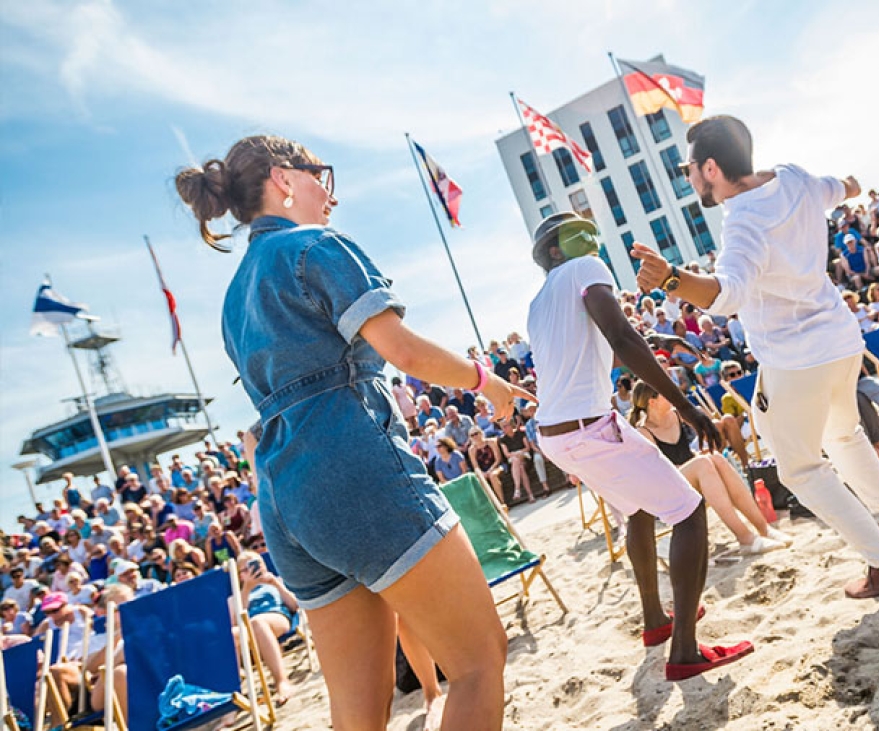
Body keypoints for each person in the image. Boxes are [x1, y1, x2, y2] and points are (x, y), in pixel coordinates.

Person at [176, 135, 519, 728]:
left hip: (287, 500)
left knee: (357, 715)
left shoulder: (235, 296)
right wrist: (488, 381)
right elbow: (403, 351)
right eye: (319, 176)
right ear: (284, 179)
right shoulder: (315, 246)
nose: (329, 194)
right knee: (479, 662)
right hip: (354, 468)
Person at [632, 115, 879, 599]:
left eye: (688, 169)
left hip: (795, 357)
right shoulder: (791, 177)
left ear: (710, 168)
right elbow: (842, 186)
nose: (688, 180)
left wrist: (670, 278)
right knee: (844, 434)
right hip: (839, 338)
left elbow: (726, 296)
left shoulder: (744, 223)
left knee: (800, 469)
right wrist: (849, 186)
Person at [528, 210, 753, 681]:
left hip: (557, 433)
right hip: (590, 428)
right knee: (690, 513)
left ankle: (656, 623)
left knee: (639, 512)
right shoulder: (586, 269)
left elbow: (606, 345)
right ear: (555, 250)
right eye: (577, 234)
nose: (591, 237)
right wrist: (687, 406)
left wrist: (659, 338)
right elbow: (621, 337)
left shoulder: (540, 300)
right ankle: (685, 652)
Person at [630, 381, 791, 555]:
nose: (671, 394)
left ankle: (763, 528)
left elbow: (695, 440)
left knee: (716, 458)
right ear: (651, 402)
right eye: (664, 393)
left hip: (692, 476)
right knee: (704, 462)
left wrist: (700, 451)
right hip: (667, 487)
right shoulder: (643, 432)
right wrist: (696, 461)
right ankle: (745, 538)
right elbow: (658, 471)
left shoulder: (676, 415)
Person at [237, 552, 297, 705]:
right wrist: (247, 589)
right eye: (247, 568)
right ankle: (234, 696)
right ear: (240, 575)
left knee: (257, 623)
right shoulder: (237, 596)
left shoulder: (276, 581)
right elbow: (237, 619)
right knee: (230, 634)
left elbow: (294, 606)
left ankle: (281, 681)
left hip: (276, 617)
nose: (253, 569)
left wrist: (275, 583)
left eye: (256, 564)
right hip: (248, 626)